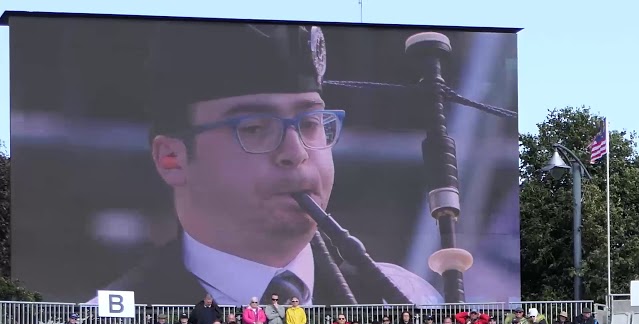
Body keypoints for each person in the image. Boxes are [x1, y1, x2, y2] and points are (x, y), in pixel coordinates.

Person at [104, 23, 442, 304]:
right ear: (172, 159)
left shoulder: (401, 300)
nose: (295, 152)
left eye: (310, 122)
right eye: (254, 128)